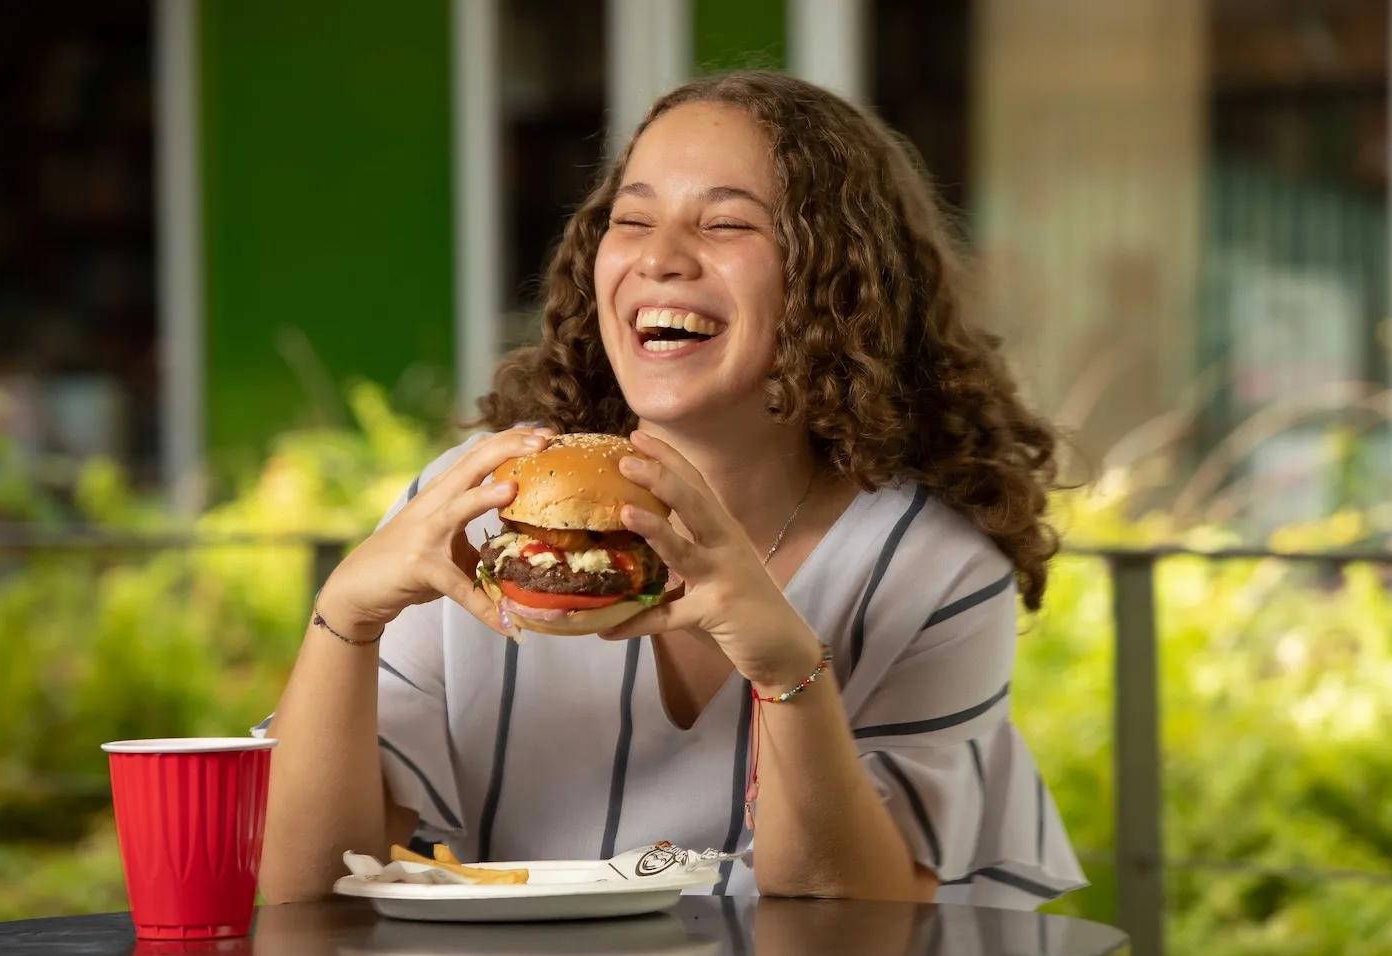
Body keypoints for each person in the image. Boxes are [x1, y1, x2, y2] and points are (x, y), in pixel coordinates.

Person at [257, 70, 1086, 907]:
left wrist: (787, 666)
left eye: (726, 224)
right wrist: (345, 617)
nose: (659, 259)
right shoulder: (475, 508)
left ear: (840, 280)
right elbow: (305, 888)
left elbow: (856, 924)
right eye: (633, 220)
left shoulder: (929, 567)